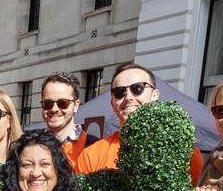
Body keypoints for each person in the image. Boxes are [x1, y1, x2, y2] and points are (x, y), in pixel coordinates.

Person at [74, 62, 203, 178]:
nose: (128, 97)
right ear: (112, 102)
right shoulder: (92, 154)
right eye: (119, 92)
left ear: (154, 95)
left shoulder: (185, 153)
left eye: (137, 88)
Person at [40, 73, 88, 166]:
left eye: (62, 103)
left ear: (76, 105)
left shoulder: (93, 145)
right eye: (48, 103)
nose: (54, 109)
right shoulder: (29, 145)